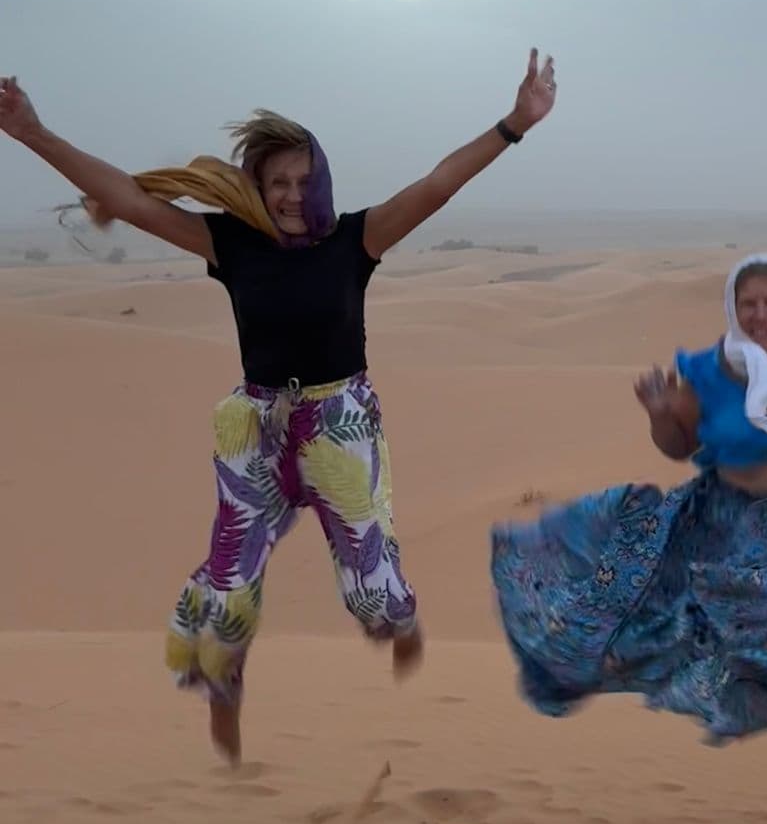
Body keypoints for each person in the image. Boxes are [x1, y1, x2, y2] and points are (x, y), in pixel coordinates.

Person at [0, 53, 557, 763]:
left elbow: (439, 184)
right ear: (258, 189)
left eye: (303, 180)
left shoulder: (359, 238)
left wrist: (515, 124)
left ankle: (400, 621)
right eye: (278, 183)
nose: (293, 195)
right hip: (257, 426)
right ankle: (223, 690)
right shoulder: (229, 243)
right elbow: (132, 201)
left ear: (321, 179)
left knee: (372, 595)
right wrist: (33, 132)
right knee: (228, 583)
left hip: (342, 425)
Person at [490, 254, 767, 780]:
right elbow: (679, 447)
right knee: (664, 606)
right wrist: (660, 414)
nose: (762, 315)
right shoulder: (707, 370)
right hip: (727, 515)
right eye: (749, 304)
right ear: (733, 308)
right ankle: (597, 663)